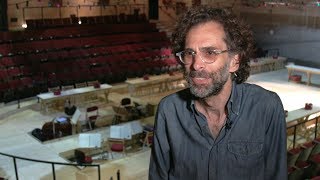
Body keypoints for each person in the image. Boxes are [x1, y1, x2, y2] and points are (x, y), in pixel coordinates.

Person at [149, 6, 287, 180]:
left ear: (234, 61)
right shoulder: (169, 111)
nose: (196, 65)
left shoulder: (267, 107)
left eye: (209, 52)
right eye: (190, 53)